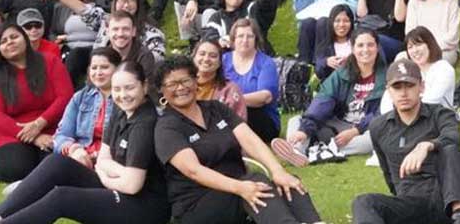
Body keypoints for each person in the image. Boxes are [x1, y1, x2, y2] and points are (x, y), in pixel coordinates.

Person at [0, 58, 167, 224]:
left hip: (143, 206)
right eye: (117, 89)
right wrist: (112, 171)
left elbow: (132, 185)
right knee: (57, 163)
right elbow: (103, 159)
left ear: (144, 86)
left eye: (130, 88)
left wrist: (106, 176)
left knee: (62, 198)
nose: (123, 95)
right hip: (118, 186)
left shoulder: (144, 123)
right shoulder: (120, 110)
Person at [154, 55, 321, 224]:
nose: (180, 87)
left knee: (287, 183)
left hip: (240, 187)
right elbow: (194, 171)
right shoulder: (166, 127)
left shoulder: (216, 109)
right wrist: (240, 187)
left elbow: (250, 140)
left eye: (185, 80)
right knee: (257, 182)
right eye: (172, 84)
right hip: (198, 203)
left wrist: (277, 171)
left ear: (196, 81)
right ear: (162, 90)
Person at [353, 59, 460, 224]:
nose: (403, 93)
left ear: (421, 87)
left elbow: (453, 136)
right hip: (410, 203)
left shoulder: (440, 114)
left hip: (444, 199)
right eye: (397, 87)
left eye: (409, 86)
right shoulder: (379, 127)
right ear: (388, 90)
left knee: (450, 149)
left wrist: (427, 145)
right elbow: (389, 176)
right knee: (363, 202)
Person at [0, 22, 74, 182]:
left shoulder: (50, 61)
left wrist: (40, 123)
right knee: (18, 167)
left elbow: (65, 97)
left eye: (14, 37)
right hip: (11, 133)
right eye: (3, 41)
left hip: (52, 128)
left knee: (55, 165)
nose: (10, 42)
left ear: (25, 38)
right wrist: (34, 137)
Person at [275, 30, 386, 165]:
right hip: (338, 123)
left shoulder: (386, 76)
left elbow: (381, 113)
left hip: (364, 128)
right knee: (296, 121)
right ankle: (297, 151)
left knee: (372, 138)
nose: (365, 50)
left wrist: (356, 131)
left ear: (377, 47)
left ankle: (319, 147)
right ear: (353, 49)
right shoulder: (341, 74)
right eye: (360, 45)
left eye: (370, 45)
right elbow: (323, 102)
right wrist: (304, 130)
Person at [221, 19, 282, 139]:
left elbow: (265, 97)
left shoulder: (266, 62)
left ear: (256, 39)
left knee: (245, 111)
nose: (245, 40)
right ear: (233, 39)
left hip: (261, 119)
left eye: (249, 36)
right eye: (240, 36)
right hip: (226, 113)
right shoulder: (223, 60)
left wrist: (235, 101)